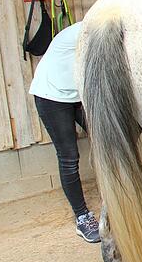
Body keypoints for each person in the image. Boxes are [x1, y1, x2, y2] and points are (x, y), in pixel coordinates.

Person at [29, 21, 99, 243]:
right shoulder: (91, 30)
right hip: (51, 96)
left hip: (76, 94)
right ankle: (82, 217)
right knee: (69, 157)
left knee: (109, 142)